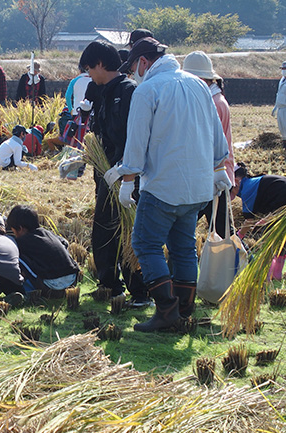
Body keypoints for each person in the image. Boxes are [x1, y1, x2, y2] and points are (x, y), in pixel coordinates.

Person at [114, 38, 230, 332]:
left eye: (133, 67)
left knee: (145, 243)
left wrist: (128, 179)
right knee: (182, 248)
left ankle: (166, 310)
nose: (134, 74)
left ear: (143, 62)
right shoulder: (199, 86)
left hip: (164, 187)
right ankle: (185, 308)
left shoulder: (148, 90)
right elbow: (218, 138)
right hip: (197, 188)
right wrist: (218, 170)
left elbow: (137, 141)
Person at [78, 40, 149, 306]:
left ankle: (140, 291)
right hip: (104, 175)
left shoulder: (129, 91)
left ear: (100, 63)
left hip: (127, 175)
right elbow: (95, 131)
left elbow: (137, 137)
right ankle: (109, 285)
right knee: (103, 231)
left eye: (89, 68)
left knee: (130, 231)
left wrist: (124, 170)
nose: (89, 75)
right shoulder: (99, 91)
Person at [183, 51, 235, 239]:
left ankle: (242, 263)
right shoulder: (213, 99)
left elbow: (212, 144)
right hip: (213, 176)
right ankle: (242, 263)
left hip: (214, 177)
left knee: (183, 230)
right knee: (224, 230)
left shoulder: (215, 103)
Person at [232, 163, 286, 280]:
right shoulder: (252, 183)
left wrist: (238, 236)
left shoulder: (247, 188)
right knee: (280, 233)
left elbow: (249, 221)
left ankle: (270, 272)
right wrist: (265, 220)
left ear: (236, 180)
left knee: (271, 233)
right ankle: (276, 272)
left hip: (284, 194)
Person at [6, 205, 79, 297]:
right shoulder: (48, 233)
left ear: (20, 228)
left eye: (13, 231)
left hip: (51, 287)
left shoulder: (21, 241)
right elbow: (65, 243)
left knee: (17, 257)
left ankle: (26, 293)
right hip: (72, 282)